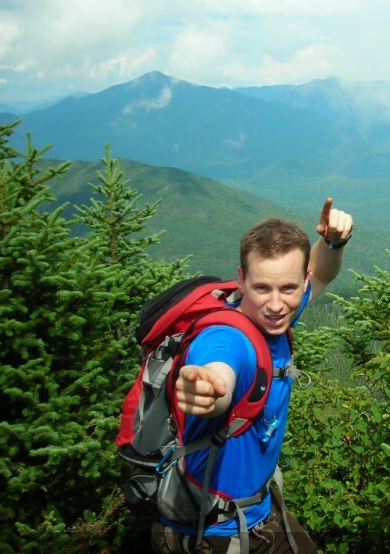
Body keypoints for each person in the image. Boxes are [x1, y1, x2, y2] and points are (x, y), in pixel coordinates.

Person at [150, 197, 353, 554]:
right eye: (262, 288)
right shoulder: (227, 339)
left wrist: (333, 243)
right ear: (241, 280)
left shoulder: (274, 315)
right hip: (210, 534)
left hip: (259, 513)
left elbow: (322, 272)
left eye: (288, 288)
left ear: (301, 281)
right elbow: (220, 370)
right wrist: (209, 390)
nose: (275, 304)